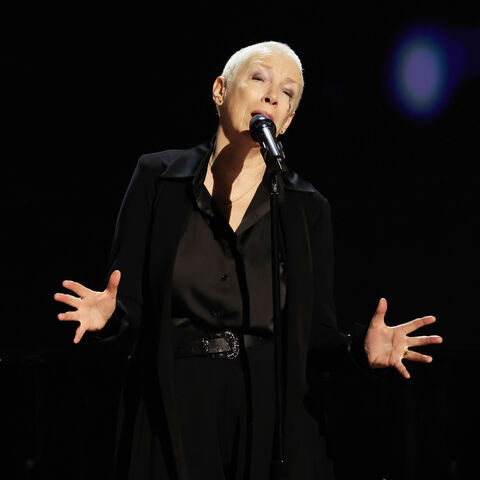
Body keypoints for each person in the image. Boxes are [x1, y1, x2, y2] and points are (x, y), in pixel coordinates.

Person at [54, 41, 443, 480]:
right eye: (259, 78)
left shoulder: (305, 206)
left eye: (288, 93)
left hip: (266, 405)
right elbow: (132, 304)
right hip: (174, 399)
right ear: (220, 90)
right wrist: (112, 318)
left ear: (289, 121)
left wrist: (359, 351)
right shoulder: (157, 179)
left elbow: (312, 330)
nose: (272, 95)